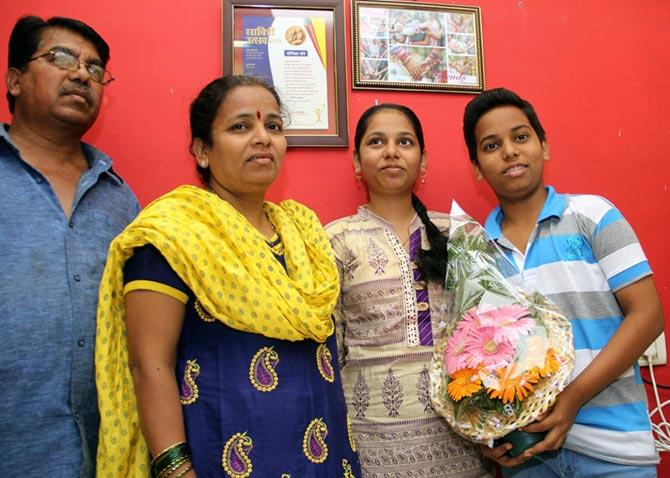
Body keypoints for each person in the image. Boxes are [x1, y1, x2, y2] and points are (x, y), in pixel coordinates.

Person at [95, 75, 360, 477]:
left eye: (273, 126)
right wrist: (175, 468)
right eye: (241, 126)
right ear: (203, 150)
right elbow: (149, 364)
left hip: (325, 452)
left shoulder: (304, 233)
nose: (262, 138)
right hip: (224, 455)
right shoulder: (173, 234)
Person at [462, 87, 664, 477]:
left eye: (520, 137)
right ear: (476, 168)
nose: (509, 151)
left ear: (544, 146)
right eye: (491, 145)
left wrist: (571, 400)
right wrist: (488, 438)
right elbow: (476, 359)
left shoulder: (593, 215)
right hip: (528, 457)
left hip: (615, 452)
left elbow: (648, 315)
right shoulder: (476, 254)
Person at [0, 15, 139, 477]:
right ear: (15, 79)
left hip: (105, 455)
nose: (82, 74)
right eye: (61, 58)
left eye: (95, 68)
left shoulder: (121, 199)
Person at [326, 104, 492, 477]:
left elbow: (495, 336)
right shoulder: (335, 240)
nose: (391, 151)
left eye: (404, 141)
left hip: (462, 439)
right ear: (357, 160)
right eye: (376, 142)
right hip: (371, 445)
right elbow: (329, 354)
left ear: (423, 158)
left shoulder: (460, 234)